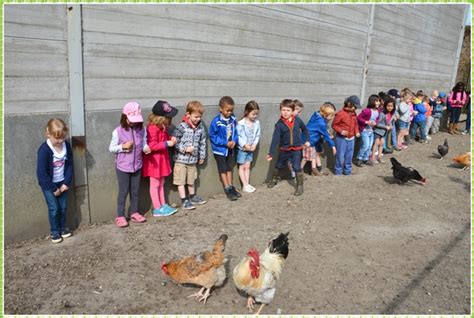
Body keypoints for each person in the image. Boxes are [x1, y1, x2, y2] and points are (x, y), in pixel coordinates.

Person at [109, 102, 148, 227]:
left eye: (136, 120)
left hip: (137, 165)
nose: (133, 123)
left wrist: (146, 148)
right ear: (124, 117)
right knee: (123, 191)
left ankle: (134, 212)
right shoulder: (118, 131)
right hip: (123, 167)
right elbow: (111, 148)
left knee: (135, 191)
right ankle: (120, 215)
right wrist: (122, 146)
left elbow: (144, 142)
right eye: (131, 120)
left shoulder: (142, 130)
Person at [37, 118, 74, 243]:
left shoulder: (66, 146)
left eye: (62, 138)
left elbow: (69, 165)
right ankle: (54, 231)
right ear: (48, 134)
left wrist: (65, 183)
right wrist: (53, 188)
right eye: (57, 138)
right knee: (54, 209)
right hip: (49, 185)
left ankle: (63, 228)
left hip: (62, 183)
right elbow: (41, 173)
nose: (60, 141)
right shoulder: (44, 150)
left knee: (63, 207)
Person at [142, 100, 178, 217]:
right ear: (162, 117)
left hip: (161, 159)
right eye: (169, 117)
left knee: (161, 182)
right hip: (154, 161)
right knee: (155, 183)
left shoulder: (162, 126)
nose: (170, 119)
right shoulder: (152, 128)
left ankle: (163, 204)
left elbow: (164, 137)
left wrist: (170, 138)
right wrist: (167, 143)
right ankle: (157, 208)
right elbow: (151, 146)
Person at [267, 99, 309, 196]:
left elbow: (305, 130)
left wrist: (306, 140)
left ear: (293, 111)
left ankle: (299, 185)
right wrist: (271, 153)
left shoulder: (297, 120)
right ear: (280, 110)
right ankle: (274, 179)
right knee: (278, 165)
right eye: (283, 110)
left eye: (288, 110)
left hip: (296, 149)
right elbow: (275, 140)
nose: (285, 112)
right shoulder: (279, 125)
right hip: (284, 150)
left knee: (296, 166)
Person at [172, 100, 207, 210]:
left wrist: (201, 156)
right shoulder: (181, 127)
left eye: (200, 117)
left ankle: (192, 196)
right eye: (196, 117)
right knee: (181, 180)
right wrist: (184, 149)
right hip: (181, 160)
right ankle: (184, 200)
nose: (198, 119)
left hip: (193, 160)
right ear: (188, 114)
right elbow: (174, 142)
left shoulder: (200, 128)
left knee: (191, 179)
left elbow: (202, 142)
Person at [209, 96, 240, 201]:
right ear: (221, 109)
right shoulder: (216, 121)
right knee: (223, 169)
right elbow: (213, 136)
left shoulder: (233, 119)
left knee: (229, 167)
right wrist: (225, 143)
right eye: (227, 110)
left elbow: (236, 131)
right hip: (220, 150)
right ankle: (227, 188)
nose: (229, 113)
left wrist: (234, 141)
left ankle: (231, 186)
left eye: (231, 110)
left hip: (230, 149)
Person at [305, 102, 337, 176]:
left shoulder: (316, 115)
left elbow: (323, 130)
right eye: (331, 116)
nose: (332, 118)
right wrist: (333, 146)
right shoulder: (320, 123)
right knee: (309, 157)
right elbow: (325, 134)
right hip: (311, 141)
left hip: (315, 139)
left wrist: (327, 132)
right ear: (325, 115)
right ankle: (311, 171)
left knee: (317, 154)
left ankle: (319, 169)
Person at [332, 95, 360, 176]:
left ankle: (348, 171)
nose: (355, 108)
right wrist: (341, 131)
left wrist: (357, 131)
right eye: (354, 106)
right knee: (340, 155)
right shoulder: (340, 114)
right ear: (348, 104)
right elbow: (334, 125)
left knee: (349, 156)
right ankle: (338, 171)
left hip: (352, 138)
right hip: (341, 139)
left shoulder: (354, 114)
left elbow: (356, 124)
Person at [237, 100, 261, 193]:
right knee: (242, 167)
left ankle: (247, 184)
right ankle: (244, 185)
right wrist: (244, 144)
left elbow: (258, 135)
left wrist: (254, 144)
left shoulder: (257, 123)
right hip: (242, 149)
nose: (255, 116)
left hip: (251, 149)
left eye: (256, 114)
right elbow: (238, 136)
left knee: (247, 166)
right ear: (247, 112)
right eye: (253, 114)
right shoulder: (240, 123)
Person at [355, 95, 380, 167]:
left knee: (369, 146)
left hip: (371, 131)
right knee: (365, 145)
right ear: (372, 101)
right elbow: (359, 118)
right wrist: (366, 122)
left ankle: (365, 159)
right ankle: (359, 158)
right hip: (364, 131)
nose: (378, 103)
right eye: (376, 101)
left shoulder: (377, 111)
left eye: (378, 101)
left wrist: (376, 122)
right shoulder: (367, 110)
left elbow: (377, 119)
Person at [371, 98, 394, 164]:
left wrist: (390, 125)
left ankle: (379, 157)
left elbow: (389, 122)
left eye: (391, 106)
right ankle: (373, 158)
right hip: (378, 131)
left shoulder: (391, 114)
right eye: (388, 106)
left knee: (382, 144)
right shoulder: (382, 113)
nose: (390, 107)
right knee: (376, 144)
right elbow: (377, 123)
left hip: (384, 132)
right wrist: (386, 127)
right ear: (385, 106)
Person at [287, 99, 305, 178]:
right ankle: (293, 172)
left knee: (296, 159)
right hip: (287, 145)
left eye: (300, 111)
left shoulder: (298, 120)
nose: (299, 113)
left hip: (297, 144)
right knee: (289, 159)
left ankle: (297, 172)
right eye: (298, 111)